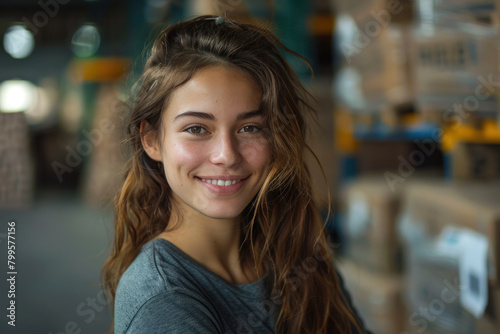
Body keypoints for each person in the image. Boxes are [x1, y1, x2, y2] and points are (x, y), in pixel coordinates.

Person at [101, 15, 371, 334]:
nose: (226, 155)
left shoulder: (295, 253)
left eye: (250, 128)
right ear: (152, 140)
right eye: (197, 129)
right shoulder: (164, 301)